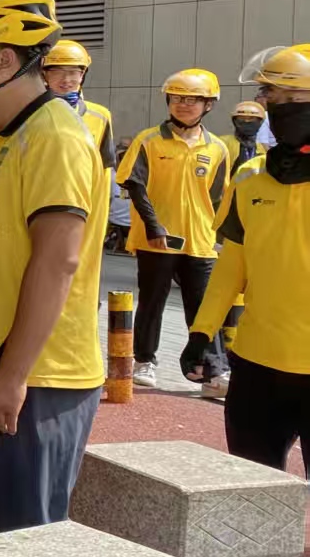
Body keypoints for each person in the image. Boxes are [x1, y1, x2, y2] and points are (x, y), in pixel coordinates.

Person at [0, 0, 107, 536]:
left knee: (23, 545)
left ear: (3, 60)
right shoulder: (2, 138)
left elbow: (58, 262)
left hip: (37, 377)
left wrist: (12, 375)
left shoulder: (54, 137)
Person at [182, 45, 310, 468]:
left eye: (292, 100)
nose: (277, 108)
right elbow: (231, 267)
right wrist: (201, 333)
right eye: (272, 98)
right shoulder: (250, 177)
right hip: (257, 367)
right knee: (252, 489)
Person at [116, 70, 231, 388]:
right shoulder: (148, 140)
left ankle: (212, 370)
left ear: (208, 105)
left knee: (204, 307)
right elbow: (135, 184)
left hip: (201, 240)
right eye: (177, 98)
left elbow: (218, 197)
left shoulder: (217, 148)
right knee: (152, 302)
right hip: (157, 240)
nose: (184, 104)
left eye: (193, 99)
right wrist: (154, 226)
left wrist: (221, 238)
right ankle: (145, 361)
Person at [42, 39, 117, 170]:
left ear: (82, 75)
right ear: (44, 75)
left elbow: (106, 167)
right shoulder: (31, 114)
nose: (66, 80)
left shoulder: (100, 116)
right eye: (57, 72)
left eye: (73, 72)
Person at [220, 99, 270, 170]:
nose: (246, 122)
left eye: (252, 119)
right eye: (242, 119)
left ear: (260, 123)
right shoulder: (223, 143)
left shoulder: (261, 148)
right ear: (235, 122)